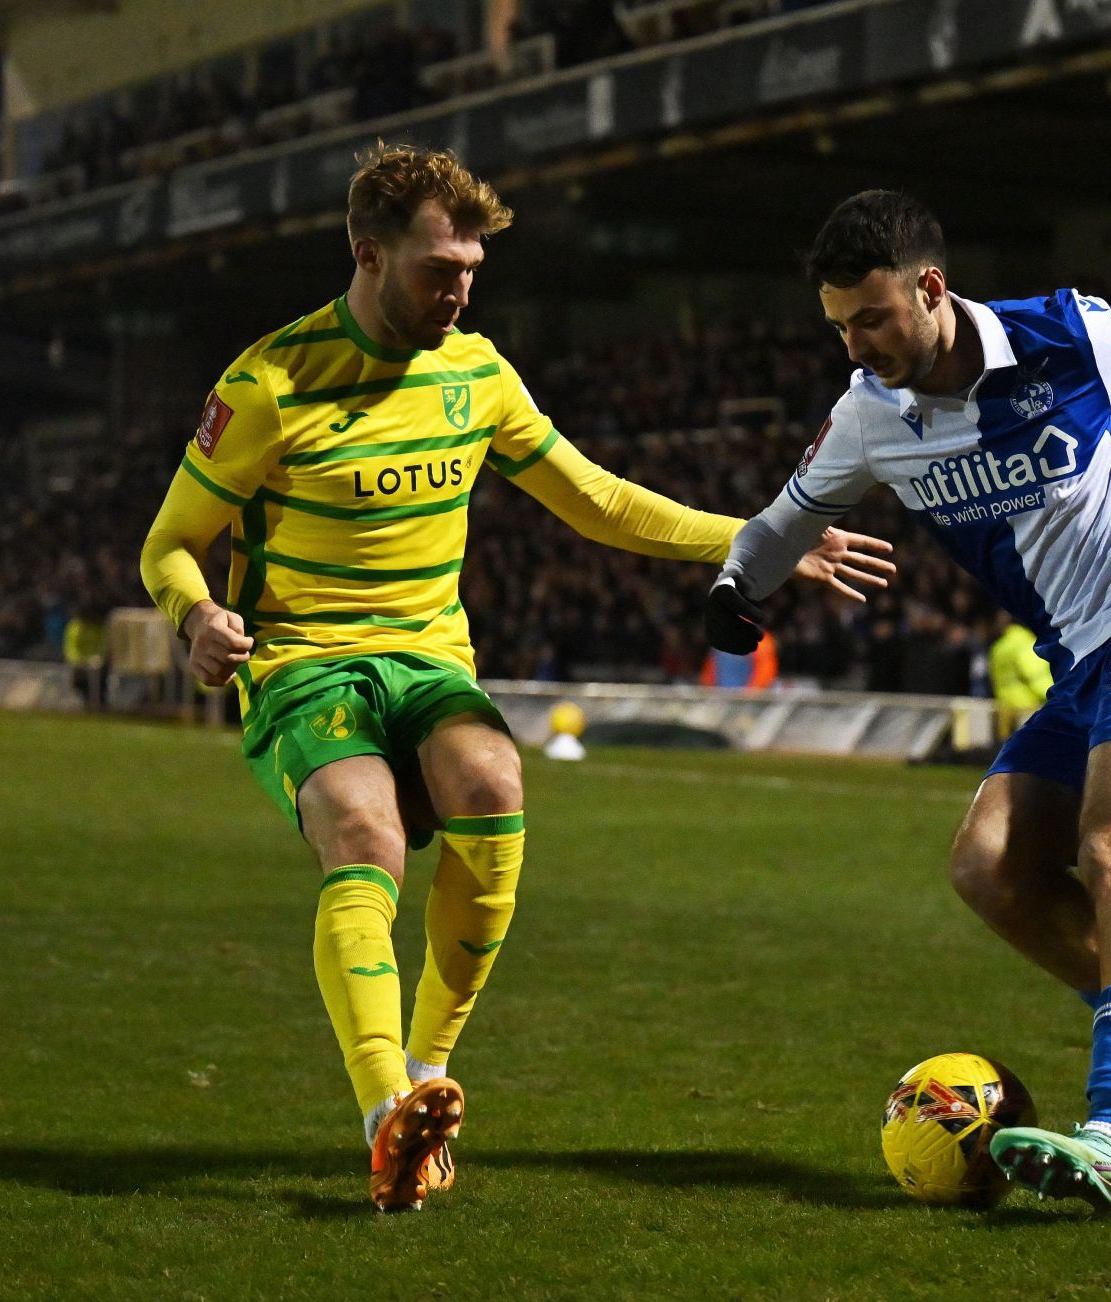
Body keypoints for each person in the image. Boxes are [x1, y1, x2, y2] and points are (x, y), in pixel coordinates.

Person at [138, 144, 893, 1212]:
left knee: (493, 782)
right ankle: (381, 1110)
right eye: (437, 267)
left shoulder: (477, 373)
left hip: (429, 654)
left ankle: (429, 1071)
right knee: (365, 831)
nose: (458, 289)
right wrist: (196, 611)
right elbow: (170, 541)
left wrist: (762, 539)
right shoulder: (268, 382)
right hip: (304, 661)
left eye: (471, 271)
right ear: (368, 254)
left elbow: (598, 499)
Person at [705, 191, 1111, 1222]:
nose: (857, 345)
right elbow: (783, 519)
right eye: (839, 327)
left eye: (871, 318)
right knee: (988, 867)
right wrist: (738, 588)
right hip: (1082, 665)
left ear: (931, 289)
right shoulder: (870, 417)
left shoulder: (1064, 333)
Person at [988, 612, 1052, 737]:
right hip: (1027, 710)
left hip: (1005, 709)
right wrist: (1053, 694)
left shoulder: (998, 647)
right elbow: (1035, 675)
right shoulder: (1025, 643)